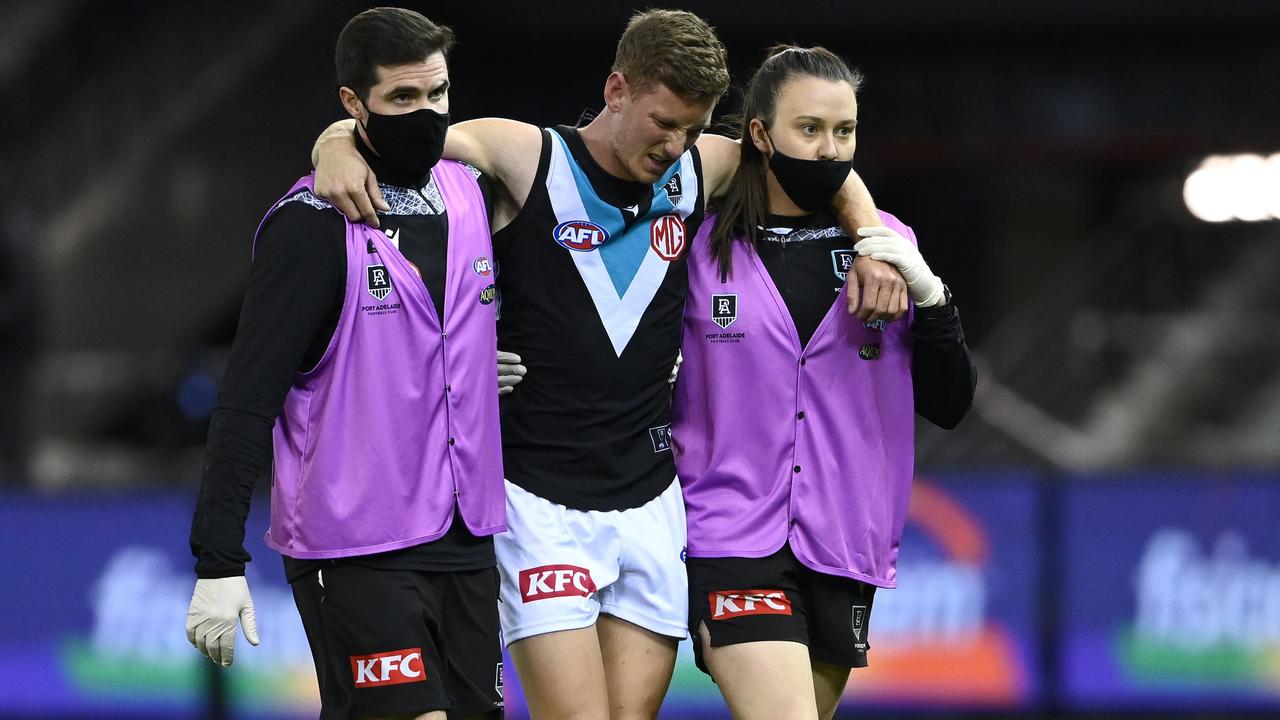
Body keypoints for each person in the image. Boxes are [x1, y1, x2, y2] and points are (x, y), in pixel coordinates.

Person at [311, 12, 907, 718]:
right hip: (539, 499)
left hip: (652, 500)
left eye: (693, 127)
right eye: (663, 123)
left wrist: (870, 237)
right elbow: (413, 138)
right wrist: (336, 143)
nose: (675, 145)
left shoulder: (700, 167)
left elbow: (821, 168)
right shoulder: (524, 155)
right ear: (617, 89)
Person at [185, 9, 505, 719]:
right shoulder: (309, 227)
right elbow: (246, 398)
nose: (426, 115)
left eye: (438, 94)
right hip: (357, 544)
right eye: (402, 99)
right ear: (352, 104)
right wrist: (217, 557)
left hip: (467, 538)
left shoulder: (471, 190)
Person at [672, 46, 977, 720]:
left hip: (845, 536)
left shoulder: (887, 247)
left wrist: (930, 295)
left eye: (844, 132)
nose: (828, 149)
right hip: (729, 533)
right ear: (760, 134)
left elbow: (951, 403)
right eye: (808, 129)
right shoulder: (698, 243)